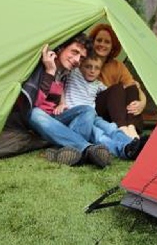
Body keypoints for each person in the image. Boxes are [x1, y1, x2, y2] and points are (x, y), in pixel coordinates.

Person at [16, 34, 114, 167]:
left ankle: (64, 151)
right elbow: (34, 104)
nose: (77, 60)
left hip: (55, 118)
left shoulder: (64, 72)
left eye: (81, 57)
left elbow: (60, 91)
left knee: (87, 110)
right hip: (36, 120)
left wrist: (62, 103)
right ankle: (87, 148)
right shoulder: (43, 65)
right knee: (35, 113)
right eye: (74, 52)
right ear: (61, 48)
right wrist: (50, 71)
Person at [63, 53, 148, 159]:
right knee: (99, 134)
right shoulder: (74, 75)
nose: (92, 71)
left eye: (96, 68)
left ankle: (132, 143)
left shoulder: (97, 84)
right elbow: (63, 80)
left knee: (111, 127)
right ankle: (124, 149)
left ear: (100, 71)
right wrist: (62, 103)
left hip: (93, 116)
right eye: (88, 67)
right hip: (77, 116)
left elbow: (115, 93)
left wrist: (138, 91)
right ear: (81, 66)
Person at [87, 23, 147, 140]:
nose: (102, 44)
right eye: (99, 40)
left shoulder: (117, 66)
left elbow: (133, 86)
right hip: (96, 109)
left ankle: (132, 129)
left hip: (117, 111)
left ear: (112, 46)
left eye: (107, 42)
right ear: (92, 42)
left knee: (131, 88)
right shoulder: (86, 62)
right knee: (117, 88)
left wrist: (143, 103)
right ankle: (123, 129)